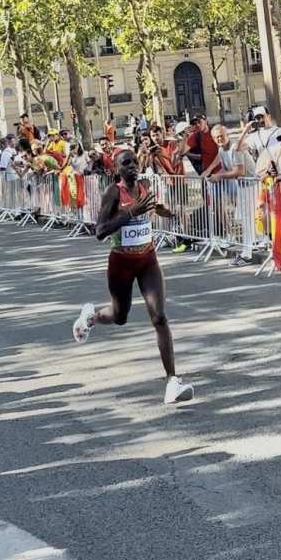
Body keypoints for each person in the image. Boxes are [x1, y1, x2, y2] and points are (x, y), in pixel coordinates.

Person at [72, 149, 193, 405]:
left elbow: (149, 209)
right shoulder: (113, 193)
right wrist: (130, 213)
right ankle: (91, 317)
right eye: (126, 163)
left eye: (135, 161)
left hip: (148, 260)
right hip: (121, 263)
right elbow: (100, 231)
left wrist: (161, 211)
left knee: (159, 317)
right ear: (116, 168)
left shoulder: (145, 185)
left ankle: (172, 381)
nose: (133, 166)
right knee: (120, 316)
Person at [242, 105, 281, 169]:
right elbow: (238, 148)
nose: (261, 120)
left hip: (279, 170)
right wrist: (245, 131)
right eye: (258, 118)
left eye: (262, 117)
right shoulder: (256, 135)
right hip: (264, 172)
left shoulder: (280, 131)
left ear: (269, 116)